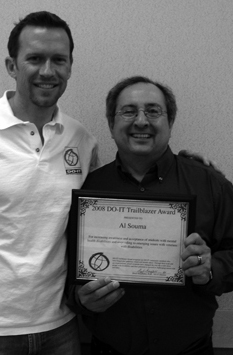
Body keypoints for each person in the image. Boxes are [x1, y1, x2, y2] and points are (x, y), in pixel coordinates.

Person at [0, 11, 100, 355]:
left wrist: (184, 166)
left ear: (70, 66)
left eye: (59, 60)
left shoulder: (82, 140)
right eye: (35, 59)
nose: (47, 71)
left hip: (62, 328)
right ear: (12, 66)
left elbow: (103, 218)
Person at [67, 76, 233, 354]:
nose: (141, 121)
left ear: (170, 122)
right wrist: (81, 299)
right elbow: (61, 263)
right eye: (129, 111)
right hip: (107, 349)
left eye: (153, 111)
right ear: (111, 124)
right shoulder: (88, 188)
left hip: (191, 349)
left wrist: (210, 269)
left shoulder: (209, 184)